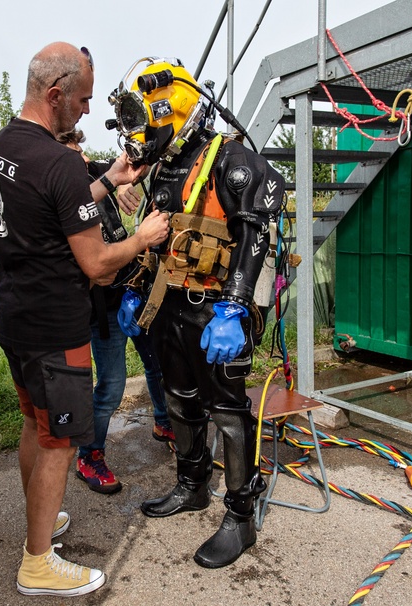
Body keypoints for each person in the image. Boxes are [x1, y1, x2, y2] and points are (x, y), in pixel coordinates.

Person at [0, 42, 169, 597]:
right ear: (55, 93)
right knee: (59, 441)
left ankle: (40, 523)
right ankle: (38, 563)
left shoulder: (2, 149)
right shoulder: (59, 160)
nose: (88, 110)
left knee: (34, 424)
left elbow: (53, 205)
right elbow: (96, 262)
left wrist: (109, 179)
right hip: (56, 324)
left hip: (13, 313)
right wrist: (141, 238)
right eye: (83, 100)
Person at [111, 57, 285, 568]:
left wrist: (234, 307)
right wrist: (134, 290)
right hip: (171, 310)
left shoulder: (230, 160)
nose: (141, 136)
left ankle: (240, 517)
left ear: (176, 111)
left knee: (228, 412)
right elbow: (158, 237)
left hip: (217, 313)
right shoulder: (164, 167)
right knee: (180, 400)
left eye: (147, 123)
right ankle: (192, 486)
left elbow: (257, 232)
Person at [57, 129, 174, 495]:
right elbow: (91, 266)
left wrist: (122, 185)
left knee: (156, 365)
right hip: (103, 307)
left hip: (134, 292)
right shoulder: (59, 198)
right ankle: (90, 455)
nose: (82, 158)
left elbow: (132, 166)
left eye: (81, 150)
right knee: (111, 385)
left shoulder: (94, 175)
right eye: (72, 152)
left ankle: (163, 421)